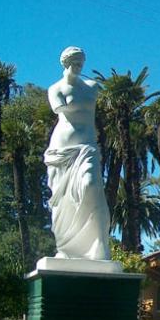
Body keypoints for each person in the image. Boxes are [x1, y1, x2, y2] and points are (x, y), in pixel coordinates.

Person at [44, 46, 111, 260]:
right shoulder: (56, 89)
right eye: (75, 63)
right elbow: (59, 109)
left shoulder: (92, 86)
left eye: (82, 63)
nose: (79, 67)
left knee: (90, 185)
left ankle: (96, 245)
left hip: (87, 145)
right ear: (65, 63)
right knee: (64, 199)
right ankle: (66, 248)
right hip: (63, 148)